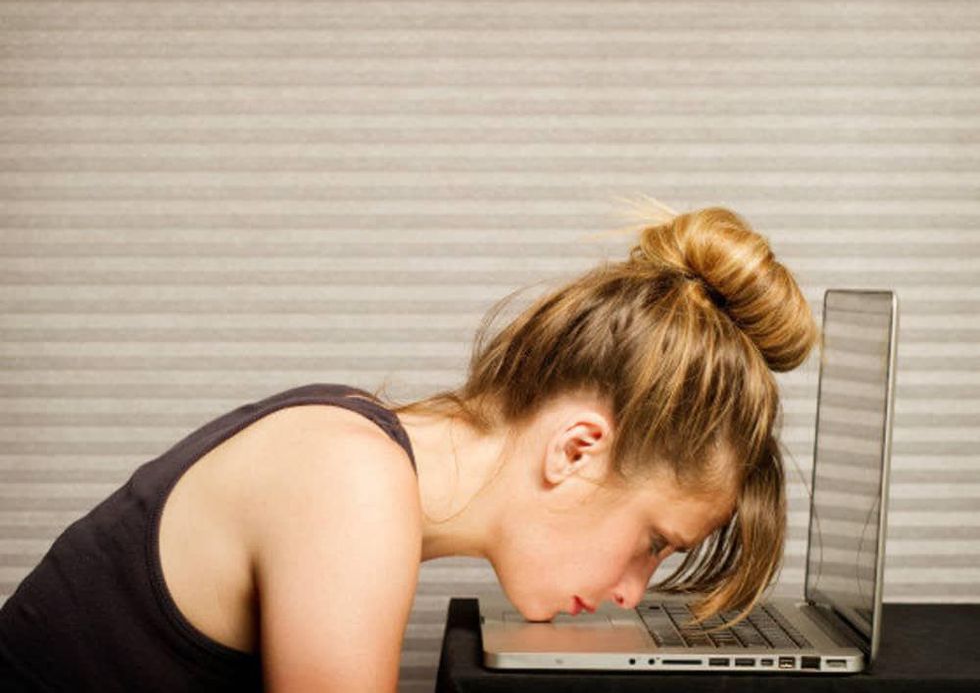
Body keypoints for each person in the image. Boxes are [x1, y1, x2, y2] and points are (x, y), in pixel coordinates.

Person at [0, 199, 819, 692]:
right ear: (576, 449)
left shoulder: (357, 442)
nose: (635, 590)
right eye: (651, 541)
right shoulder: (350, 480)